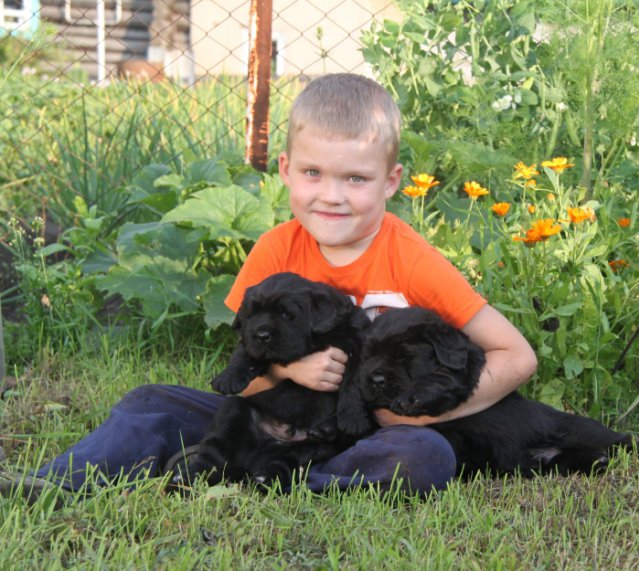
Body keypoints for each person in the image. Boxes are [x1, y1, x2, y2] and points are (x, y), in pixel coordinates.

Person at [0, 73, 537, 503]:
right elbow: (246, 376)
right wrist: (287, 368)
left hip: (365, 429)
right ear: (284, 169)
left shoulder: (413, 259)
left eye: (355, 178)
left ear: (391, 181)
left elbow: (517, 355)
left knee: (424, 455)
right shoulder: (275, 250)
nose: (331, 196)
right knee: (149, 401)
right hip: (276, 409)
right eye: (312, 173)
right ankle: (62, 481)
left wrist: (423, 412)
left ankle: (292, 479)